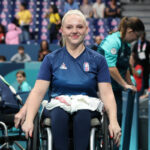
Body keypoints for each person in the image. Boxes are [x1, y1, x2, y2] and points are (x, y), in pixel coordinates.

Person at [14, 10, 121, 150]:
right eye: (69, 27)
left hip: (87, 106)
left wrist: (113, 121)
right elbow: (38, 92)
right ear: (62, 30)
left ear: (86, 29)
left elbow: (107, 93)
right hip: (58, 105)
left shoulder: (98, 60)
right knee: (59, 114)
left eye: (79, 27)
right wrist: (28, 120)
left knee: (82, 114)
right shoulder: (51, 59)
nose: (74, 31)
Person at [97, 17, 145, 128]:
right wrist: (124, 84)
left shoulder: (126, 45)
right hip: (102, 87)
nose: (136, 39)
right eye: (136, 36)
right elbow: (110, 67)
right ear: (130, 31)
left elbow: (125, 68)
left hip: (115, 89)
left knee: (118, 119)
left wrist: (130, 84)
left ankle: (115, 145)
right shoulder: (113, 41)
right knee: (108, 119)